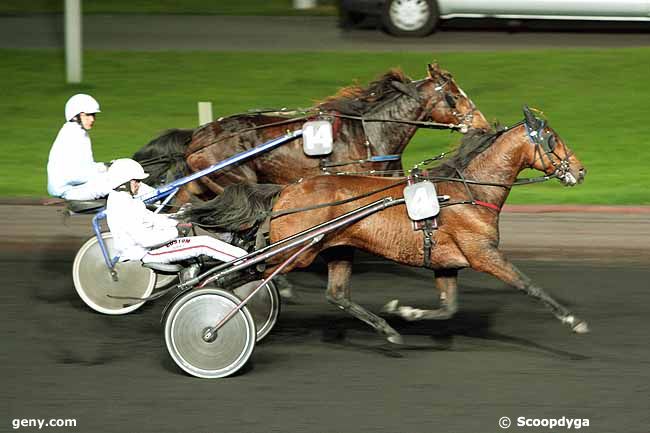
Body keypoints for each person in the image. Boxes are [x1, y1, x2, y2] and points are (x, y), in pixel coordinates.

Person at [105, 159, 247, 271]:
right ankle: (246, 261)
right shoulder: (124, 205)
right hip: (146, 253)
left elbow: (152, 219)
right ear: (123, 182)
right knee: (204, 243)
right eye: (136, 181)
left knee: (200, 236)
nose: (139, 185)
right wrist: (176, 231)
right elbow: (145, 240)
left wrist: (178, 217)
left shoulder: (123, 200)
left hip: (149, 247)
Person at [47, 94, 112, 200]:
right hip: (68, 190)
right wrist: (104, 170)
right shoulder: (71, 135)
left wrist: (105, 166)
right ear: (75, 116)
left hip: (74, 186)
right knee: (118, 185)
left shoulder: (79, 133)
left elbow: (86, 166)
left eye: (93, 115)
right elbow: (74, 174)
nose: (92, 119)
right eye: (87, 115)